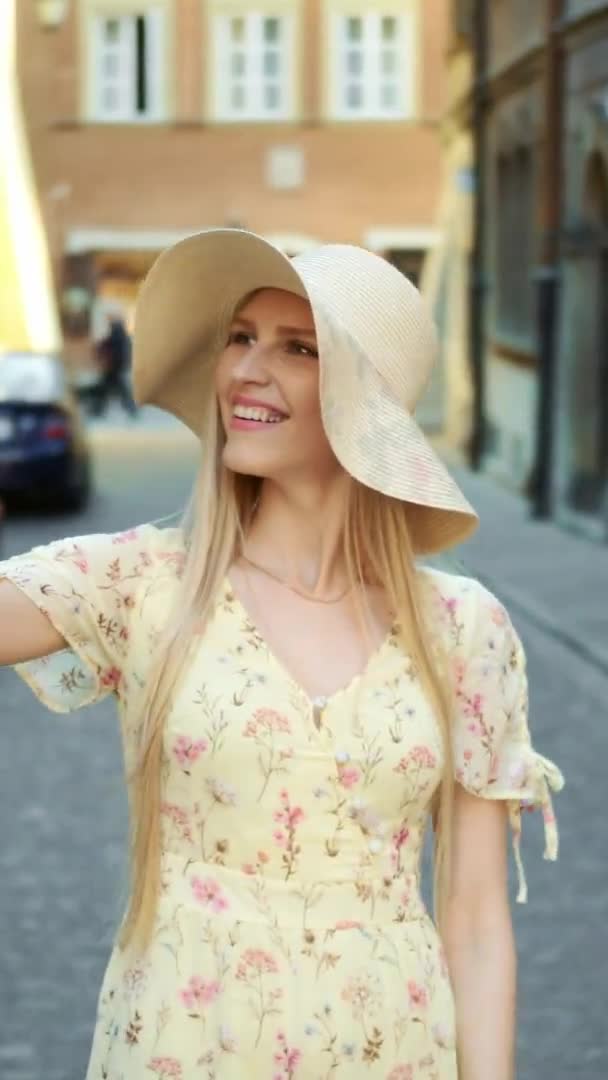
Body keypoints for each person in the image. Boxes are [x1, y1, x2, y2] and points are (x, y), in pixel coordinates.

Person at [0, 229, 564, 1079]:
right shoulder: (143, 581)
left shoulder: (463, 628)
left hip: (396, 1053)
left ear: (363, 403)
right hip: (181, 1050)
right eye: (240, 338)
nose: (245, 372)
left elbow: (478, 919)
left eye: (295, 347)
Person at [90, 315, 137, 417]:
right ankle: (131, 409)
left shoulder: (115, 337)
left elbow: (105, 346)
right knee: (118, 390)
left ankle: (97, 410)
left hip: (113, 367)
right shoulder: (123, 337)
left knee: (106, 390)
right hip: (117, 367)